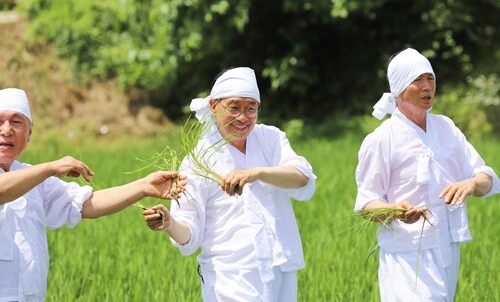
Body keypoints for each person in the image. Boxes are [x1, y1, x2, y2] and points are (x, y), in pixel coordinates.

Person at [143, 67, 316, 301]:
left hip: (281, 265)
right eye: (234, 107)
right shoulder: (198, 160)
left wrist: (256, 173)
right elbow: (189, 232)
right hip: (232, 276)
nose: (243, 117)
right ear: (214, 107)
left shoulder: (271, 138)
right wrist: (170, 223)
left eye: (251, 108)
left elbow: (302, 177)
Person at [0, 87, 186, 301]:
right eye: (0, 122)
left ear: (29, 134)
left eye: (16, 122)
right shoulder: (38, 174)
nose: (6, 130)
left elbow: (87, 204)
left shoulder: (33, 180)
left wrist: (144, 186)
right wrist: (50, 167)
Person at [354, 48, 500, 301]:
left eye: (430, 78)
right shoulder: (381, 139)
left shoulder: (446, 127)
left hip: (447, 248)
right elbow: (367, 204)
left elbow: (486, 177)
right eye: (417, 80)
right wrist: (395, 210)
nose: (426, 87)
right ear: (399, 89)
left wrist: (471, 183)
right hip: (406, 255)